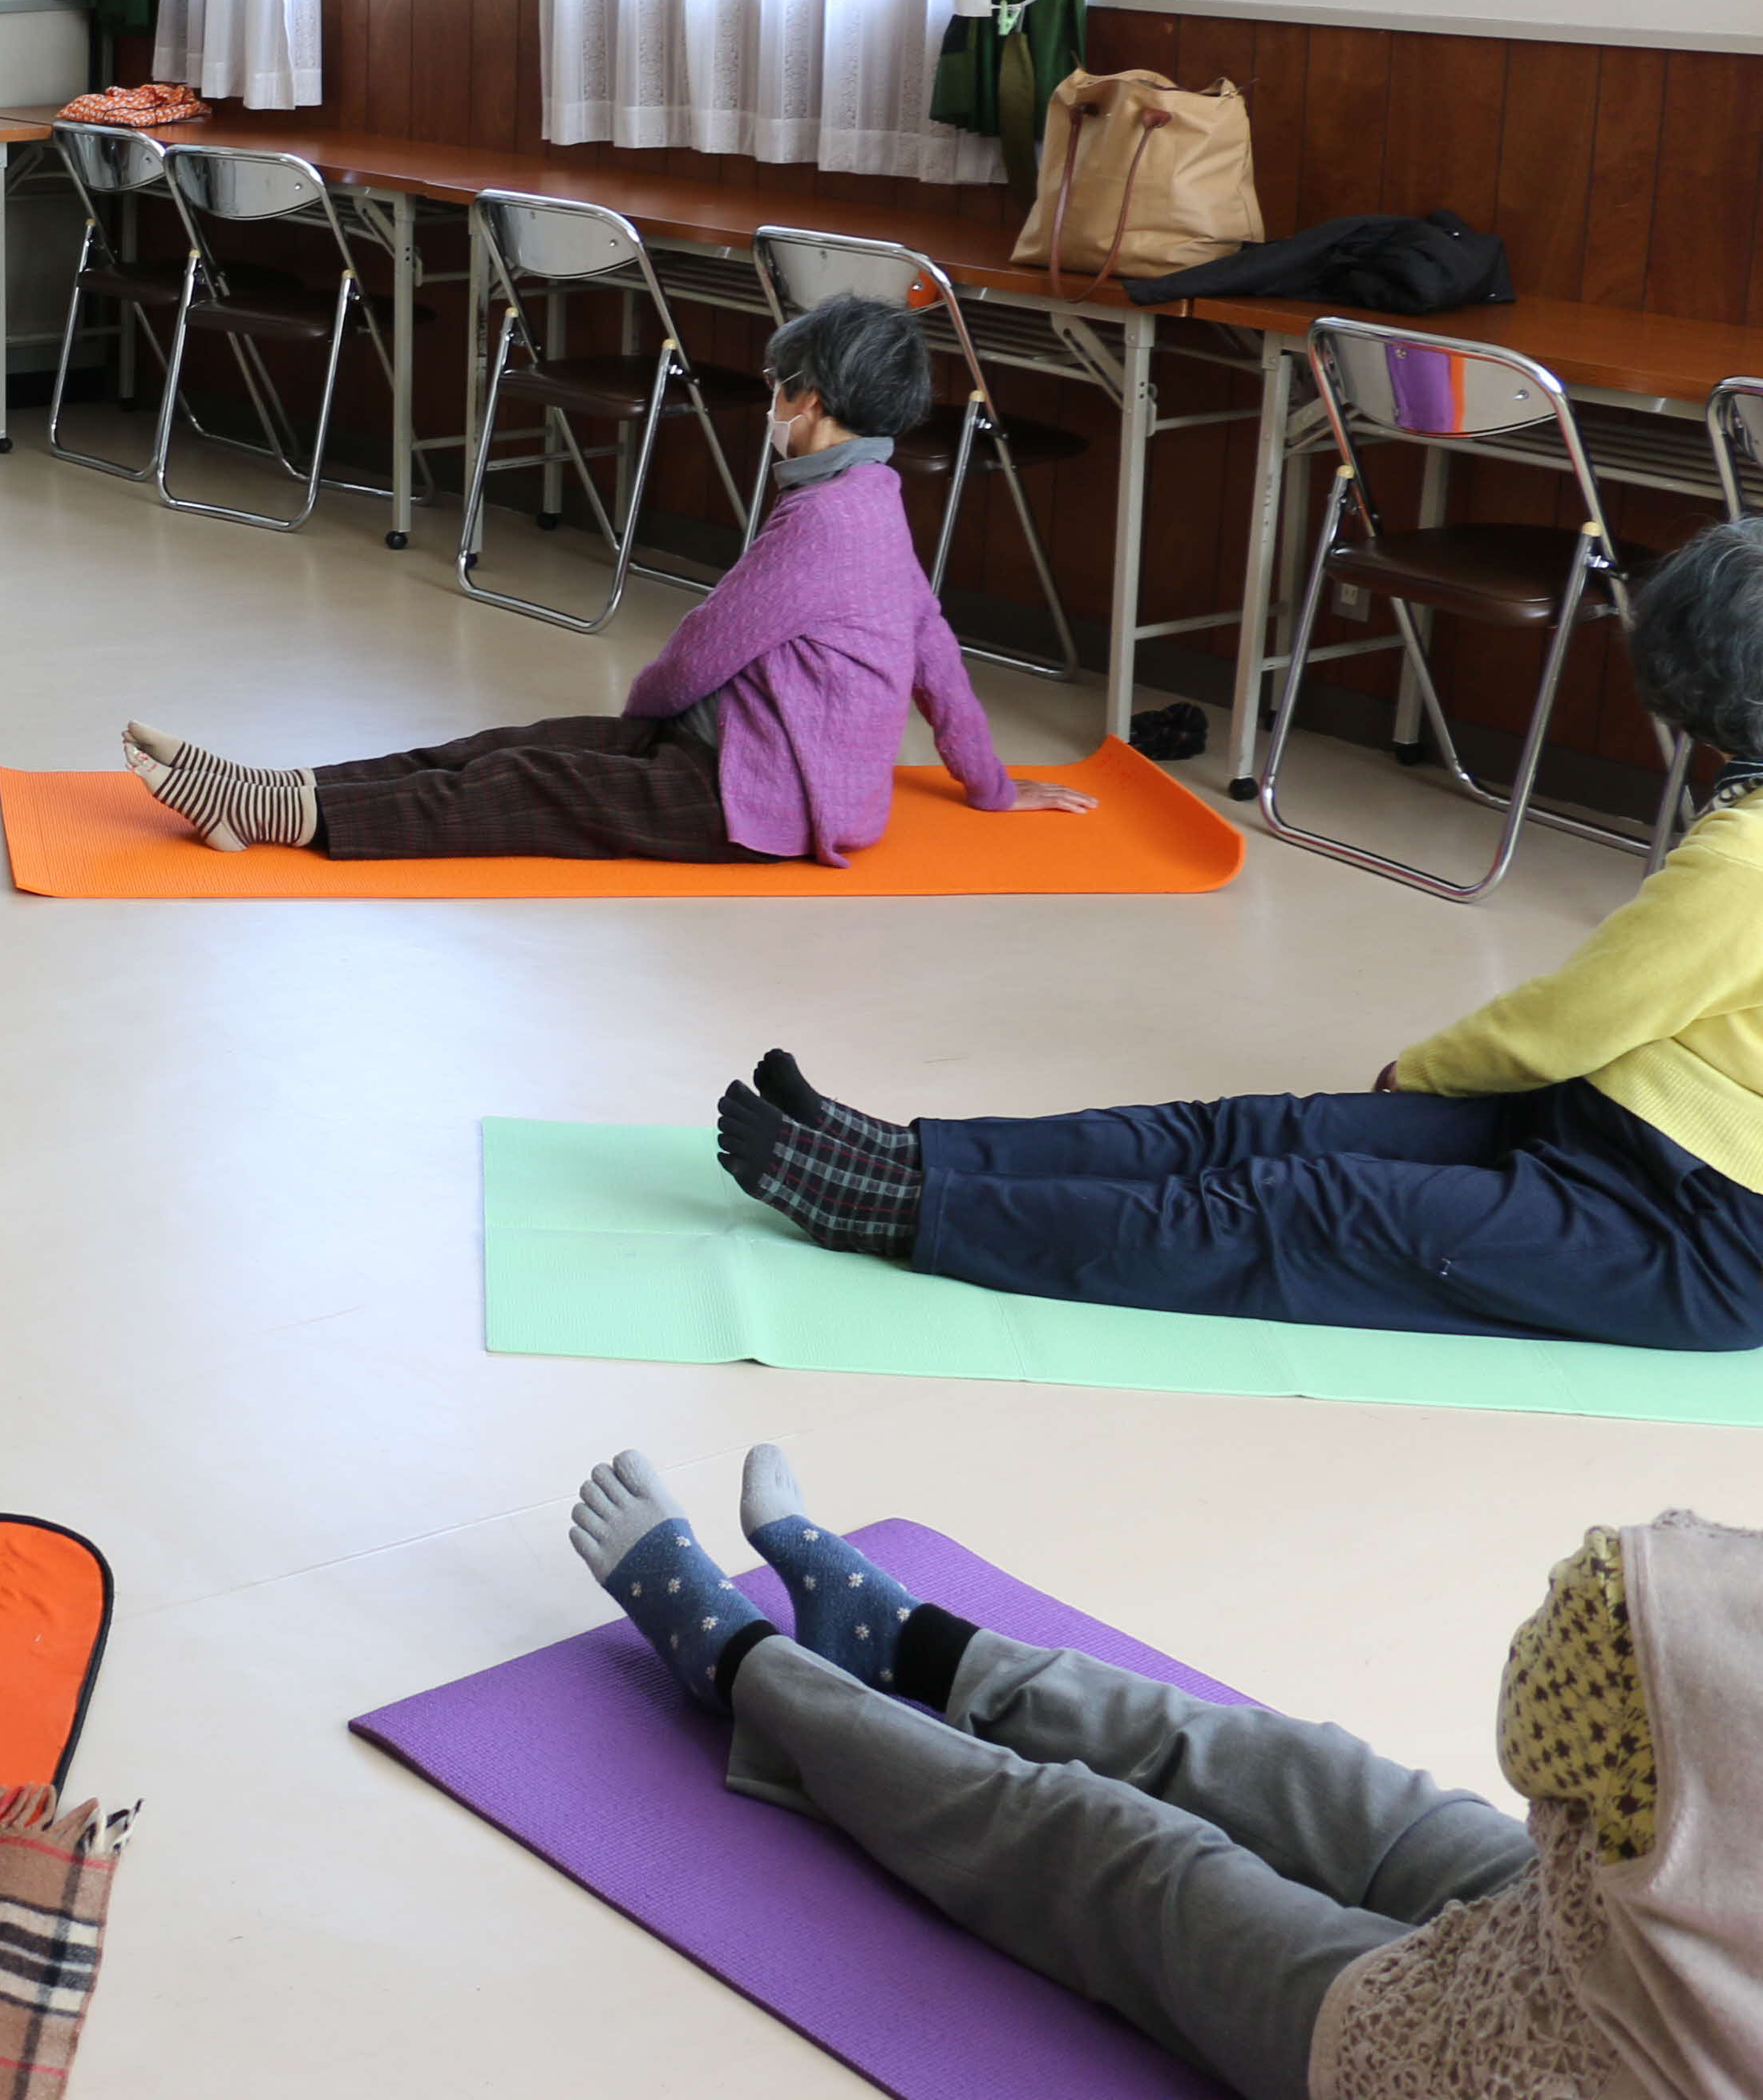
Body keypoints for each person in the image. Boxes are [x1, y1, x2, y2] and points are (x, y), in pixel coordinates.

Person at [723, 514, 1763, 1348]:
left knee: (1299, 1204)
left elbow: (1582, 1016)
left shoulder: (1746, 859)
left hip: (1698, 1232)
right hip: (1606, 1122)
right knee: (1255, 1131)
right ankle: (919, 1157)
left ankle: (905, 1213)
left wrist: (1425, 1072)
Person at [561, 1444, 1763, 2100]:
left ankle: (744, 1669)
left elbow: (1543, 1726)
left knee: (1125, 1862)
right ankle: (907, 1641)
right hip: (1619, 1948)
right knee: (1302, 1773)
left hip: (1517, 2072)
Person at [117, 294, 1097, 863]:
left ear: (811, 401)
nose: (770, 404)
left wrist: (637, 726)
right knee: (507, 747)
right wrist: (991, 786)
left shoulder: (825, 521)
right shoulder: (874, 500)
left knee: (524, 783)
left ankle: (279, 814)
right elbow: (938, 656)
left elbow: (706, 647)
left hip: (759, 798)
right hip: (738, 756)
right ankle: (266, 789)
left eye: (776, 389)